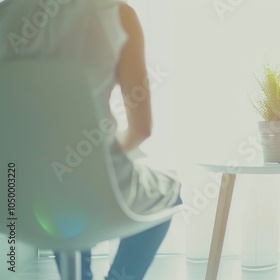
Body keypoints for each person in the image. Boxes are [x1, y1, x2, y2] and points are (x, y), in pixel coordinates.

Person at [0, 0, 182, 279]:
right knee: (169, 193)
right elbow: (141, 129)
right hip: (85, 185)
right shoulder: (117, 15)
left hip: (14, 192)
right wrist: (93, 163)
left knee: (60, 195)